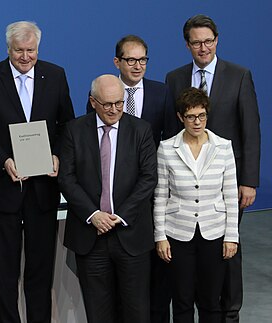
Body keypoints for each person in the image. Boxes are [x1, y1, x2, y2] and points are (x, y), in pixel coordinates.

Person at [0, 20, 75, 323]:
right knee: (5, 271)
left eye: (31, 50)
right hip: (4, 189)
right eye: (19, 51)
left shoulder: (55, 75)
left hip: (43, 189)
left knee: (41, 270)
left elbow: (68, 126)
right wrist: (3, 161)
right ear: (8, 49)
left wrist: (57, 155)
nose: (25, 56)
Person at [165, 14, 260, 322]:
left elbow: (251, 130)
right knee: (191, 253)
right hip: (185, 183)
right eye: (196, 42)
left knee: (228, 249)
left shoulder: (239, 75)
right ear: (187, 44)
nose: (203, 48)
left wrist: (249, 181)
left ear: (217, 41)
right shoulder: (174, 78)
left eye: (208, 41)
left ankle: (229, 313)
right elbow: (169, 130)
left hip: (228, 182)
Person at [85, 34, 178, 323]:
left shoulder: (161, 92)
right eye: (131, 60)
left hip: (150, 195)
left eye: (143, 60)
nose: (138, 66)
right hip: (110, 202)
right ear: (118, 62)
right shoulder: (102, 92)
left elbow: (171, 140)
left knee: (151, 278)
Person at [59, 75, 157, 323]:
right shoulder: (74, 130)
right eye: (107, 104)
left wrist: (120, 216)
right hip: (90, 235)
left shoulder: (141, 130)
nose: (114, 110)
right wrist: (94, 215)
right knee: (98, 311)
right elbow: (66, 178)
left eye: (119, 103)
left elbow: (148, 178)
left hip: (130, 234)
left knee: (136, 311)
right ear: (93, 102)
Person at [153, 87, 239, 323]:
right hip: (178, 232)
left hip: (214, 231)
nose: (197, 122)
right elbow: (160, 194)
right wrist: (160, 236)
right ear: (181, 117)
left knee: (211, 300)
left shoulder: (223, 147)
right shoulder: (167, 148)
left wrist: (232, 235)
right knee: (181, 300)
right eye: (191, 116)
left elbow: (230, 193)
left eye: (202, 116)